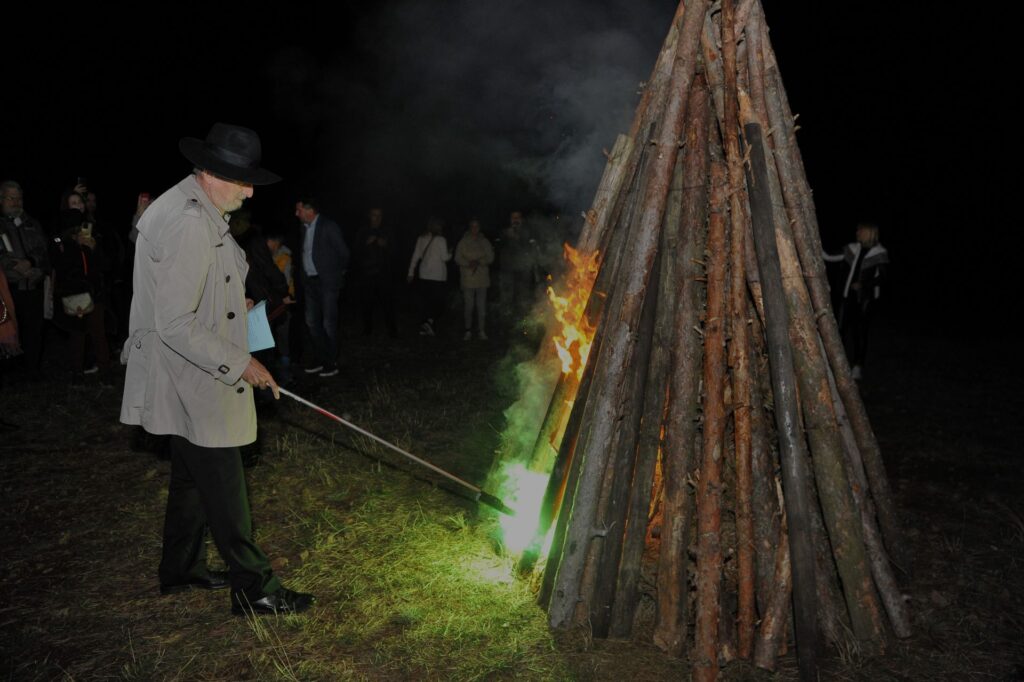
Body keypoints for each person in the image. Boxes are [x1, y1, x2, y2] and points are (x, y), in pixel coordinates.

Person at [120, 122, 314, 616]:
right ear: (210, 172)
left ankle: (179, 568)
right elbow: (175, 320)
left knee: (190, 475)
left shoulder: (197, 207)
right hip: (195, 373)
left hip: (188, 369)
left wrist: (234, 298)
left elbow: (193, 291)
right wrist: (241, 360)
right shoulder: (189, 221)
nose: (250, 193)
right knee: (226, 482)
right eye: (242, 181)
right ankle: (255, 588)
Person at [51, 208, 111, 383]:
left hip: (96, 293)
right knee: (77, 334)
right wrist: (71, 245)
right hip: (74, 294)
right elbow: (59, 264)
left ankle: (105, 373)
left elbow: (105, 265)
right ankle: (77, 373)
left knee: (99, 333)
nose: (79, 231)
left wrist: (93, 248)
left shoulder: (93, 237)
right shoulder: (61, 241)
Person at [824, 222, 889, 380]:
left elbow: (883, 277)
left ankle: (858, 366)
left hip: (865, 300)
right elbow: (828, 256)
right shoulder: (852, 249)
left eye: (860, 230)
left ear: (868, 232)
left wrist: (863, 284)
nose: (857, 232)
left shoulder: (879, 253)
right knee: (840, 330)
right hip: (848, 297)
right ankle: (839, 364)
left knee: (860, 333)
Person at [295, 197, 349, 377]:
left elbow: (344, 253)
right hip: (310, 282)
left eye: (299, 210)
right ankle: (320, 358)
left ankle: (331, 361)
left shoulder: (328, 226)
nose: (296, 214)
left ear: (309, 211)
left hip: (327, 283)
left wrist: (336, 276)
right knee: (312, 322)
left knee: (328, 323)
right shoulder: (304, 228)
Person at [1, 180, 50, 374]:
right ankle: (12, 373)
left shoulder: (32, 223)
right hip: (9, 289)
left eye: (18, 197)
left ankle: (32, 372)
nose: (15, 201)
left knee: (35, 331)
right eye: (10, 197)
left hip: (33, 287)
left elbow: (44, 250)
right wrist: (15, 265)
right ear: (1, 199)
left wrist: (30, 261)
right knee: (11, 331)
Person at [355, 207, 397, 338]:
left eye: (379, 215)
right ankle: (367, 329)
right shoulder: (362, 231)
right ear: (369, 216)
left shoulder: (387, 231)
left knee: (387, 303)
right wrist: (365, 243)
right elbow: (355, 251)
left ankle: (392, 330)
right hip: (367, 274)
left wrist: (386, 245)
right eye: (374, 215)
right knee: (366, 303)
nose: (377, 218)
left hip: (384, 273)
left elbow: (396, 252)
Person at [407, 218, 451, 336]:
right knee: (439, 303)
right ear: (438, 227)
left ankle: (426, 326)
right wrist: (451, 253)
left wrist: (410, 272)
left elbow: (415, 256)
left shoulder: (421, 238)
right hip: (437, 276)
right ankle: (429, 322)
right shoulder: (441, 240)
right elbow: (445, 258)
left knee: (426, 302)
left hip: (424, 275)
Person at [454, 218, 494, 340]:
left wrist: (479, 261)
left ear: (479, 228)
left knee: (481, 307)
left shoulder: (485, 242)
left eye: (477, 226)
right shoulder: (463, 242)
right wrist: (468, 263)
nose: (474, 229)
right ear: (469, 227)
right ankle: (468, 330)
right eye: (472, 226)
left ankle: (481, 330)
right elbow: (457, 258)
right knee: (469, 306)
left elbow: (491, 257)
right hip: (468, 279)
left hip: (482, 279)